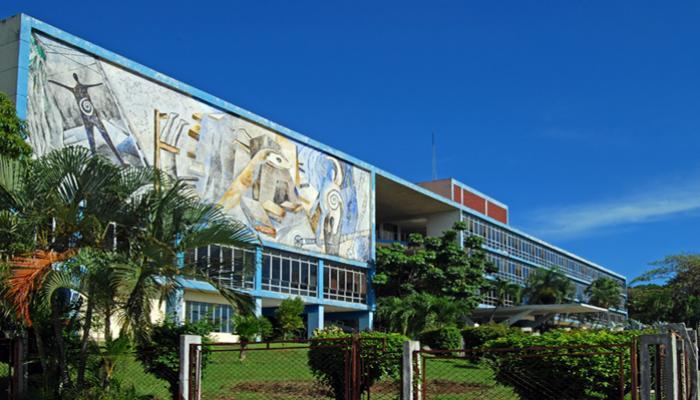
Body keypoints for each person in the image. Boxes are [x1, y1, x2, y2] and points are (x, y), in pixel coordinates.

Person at [49, 73, 125, 164]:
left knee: (104, 138)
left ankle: (120, 161)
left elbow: (96, 84)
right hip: (88, 117)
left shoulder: (81, 87)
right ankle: (96, 163)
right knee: (92, 140)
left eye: (75, 77)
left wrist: (104, 81)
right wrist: (51, 80)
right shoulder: (75, 89)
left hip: (92, 116)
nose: (76, 79)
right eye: (75, 77)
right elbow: (62, 85)